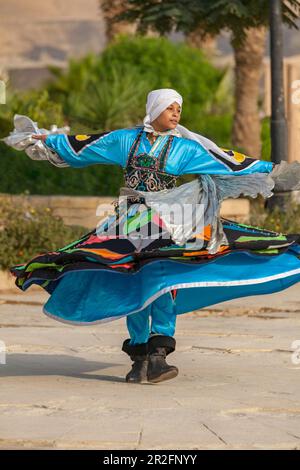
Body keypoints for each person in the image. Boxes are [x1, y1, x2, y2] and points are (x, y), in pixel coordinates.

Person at [5, 88, 300, 385]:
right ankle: (140, 359)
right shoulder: (125, 140)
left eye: (179, 110)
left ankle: (158, 354)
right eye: (170, 108)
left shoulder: (184, 149)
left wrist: (273, 169)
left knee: (162, 279)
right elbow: (85, 144)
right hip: (129, 223)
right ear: (154, 108)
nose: (176, 114)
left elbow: (227, 160)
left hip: (168, 222)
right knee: (131, 281)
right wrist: (48, 140)